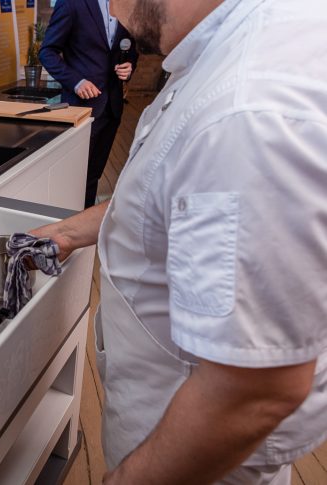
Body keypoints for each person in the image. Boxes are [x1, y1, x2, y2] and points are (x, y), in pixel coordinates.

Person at [31, 0, 327, 483]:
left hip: (190, 450)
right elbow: (170, 197)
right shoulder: (224, 54)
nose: (115, 13)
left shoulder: (244, 112)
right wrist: (67, 232)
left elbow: (253, 392)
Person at [39, 0, 138, 208]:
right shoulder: (71, 3)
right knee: (73, 177)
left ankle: (83, 221)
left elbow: (130, 49)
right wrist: (76, 82)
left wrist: (129, 66)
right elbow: (47, 52)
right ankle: (67, 222)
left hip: (112, 107)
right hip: (80, 109)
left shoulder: (126, 3)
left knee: (93, 176)